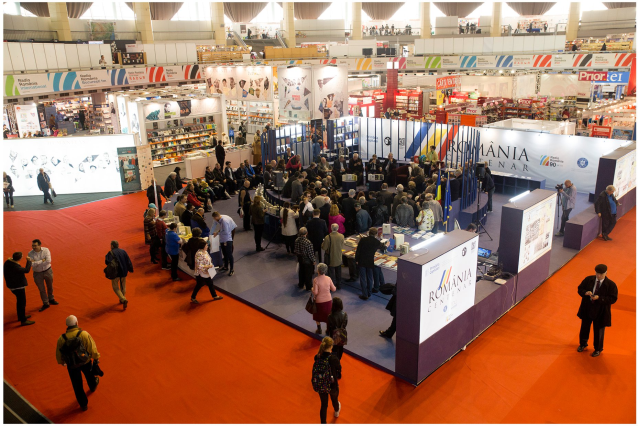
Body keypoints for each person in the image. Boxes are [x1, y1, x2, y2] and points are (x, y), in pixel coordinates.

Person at [55, 315, 100, 411]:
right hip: (85, 361)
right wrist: (96, 357)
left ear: (67, 325)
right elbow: (92, 347)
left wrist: (62, 362)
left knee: (77, 385)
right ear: (76, 323)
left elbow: (59, 353)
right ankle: (92, 386)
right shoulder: (83, 334)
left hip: (72, 365)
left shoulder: (62, 338)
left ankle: (83, 404)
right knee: (90, 376)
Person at [576, 264, 618, 357]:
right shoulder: (589, 279)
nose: (598, 276)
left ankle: (598, 349)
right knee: (584, 328)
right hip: (587, 308)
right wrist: (585, 293)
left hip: (601, 311)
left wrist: (600, 298)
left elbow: (613, 299)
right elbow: (580, 289)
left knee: (599, 331)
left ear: (606, 273)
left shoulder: (611, 285)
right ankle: (582, 344)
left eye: (601, 274)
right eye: (597, 273)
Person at [312, 337, 342, 424]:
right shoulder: (333, 358)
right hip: (332, 384)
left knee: (324, 405)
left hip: (321, 384)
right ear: (330, 347)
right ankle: (336, 411)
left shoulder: (317, 357)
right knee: (334, 399)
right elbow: (339, 368)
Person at [355, 227, 387, 300]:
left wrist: (356, 259)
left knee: (363, 278)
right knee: (369, 277)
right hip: (370, 261)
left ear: (369, 233)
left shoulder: (363, 240)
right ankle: (369, 292)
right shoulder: (376, 242)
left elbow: (358, 250)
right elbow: (384, 247)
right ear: (376, 234)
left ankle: (365, 294)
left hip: (361, 260)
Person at [4, 252, 35, 326]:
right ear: (20, 258)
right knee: (21, 303)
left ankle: (21, 316)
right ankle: (23, 320)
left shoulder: (7, 262)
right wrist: (29, 261)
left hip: (11, 285)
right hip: (18, 287)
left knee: (19, 302)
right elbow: (26, 270)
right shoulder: (16, 267)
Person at [28, 239, 58, 311]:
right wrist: (42, 260)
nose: (33, 247)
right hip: (37, 274)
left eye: (35, 245)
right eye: (32, 245)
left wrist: (36, 262)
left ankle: (51, 298)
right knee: (41, 289)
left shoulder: (46, 250)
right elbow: (32, 264)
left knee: (50, 286)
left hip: (48, 271)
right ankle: (45, 303)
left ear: (39, 245)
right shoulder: (30, 253)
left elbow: (48, 261)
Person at [191, 239, 223, 304]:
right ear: (203, 246)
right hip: (201, 273)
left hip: (207, 272)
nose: (207, 246)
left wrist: (210, 265)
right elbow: (199, 266)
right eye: (206, 245)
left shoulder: (205, 251)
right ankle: (193, 297)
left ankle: (214, 295)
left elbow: (209, 259)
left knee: (210, 283)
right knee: (199, 285)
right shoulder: (199, 254)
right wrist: (208, 266)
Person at [105, 241, 134, 310]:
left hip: (116, 273)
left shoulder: (111, 253)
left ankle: (123, 299)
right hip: (123, 272)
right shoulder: (123, 251)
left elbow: (107, 262)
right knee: (123, 286)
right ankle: (122, 300)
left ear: (112, 246)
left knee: (115, 287)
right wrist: (130, 269)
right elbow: (128, 261)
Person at [311, 263, 337, 334]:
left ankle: (319, 329)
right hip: (328, 301)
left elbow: (315, 292)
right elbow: (334, 289)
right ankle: (328, 330)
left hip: (319, 301)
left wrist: (312, 289)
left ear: (318, 271)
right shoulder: (328, 278)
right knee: (328, 316)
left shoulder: (316, 280)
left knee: (317, 315)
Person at [212, 211, 237, 276]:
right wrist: (218, 232)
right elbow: (222, 229)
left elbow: (226, 231)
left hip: (227, 240)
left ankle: (232, 269)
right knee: (225, 254)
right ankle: (226, 266)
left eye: (214, 218)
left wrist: (218, 233)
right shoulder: (220, 220)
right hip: (223, 240)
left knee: (229, 255)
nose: (214, 220)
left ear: (216, 217)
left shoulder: (224, 221)